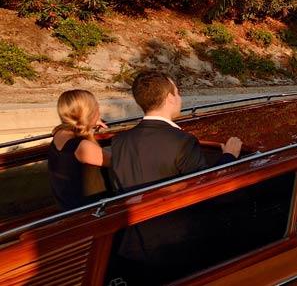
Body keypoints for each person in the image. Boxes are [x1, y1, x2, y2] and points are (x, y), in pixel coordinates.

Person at [111, 71, 242, 190]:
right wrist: (229, 157)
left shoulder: (119, 141)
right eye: (178, 92)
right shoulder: (183, 142)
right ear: (170, 98)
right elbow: (204, 186)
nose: (179, 98)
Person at [47, 89, 111, 210]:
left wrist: (90, 123)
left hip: (66, 205)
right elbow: (119, 160)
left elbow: (74, 128)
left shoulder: (59, 133)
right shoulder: (83, 147)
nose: (99, 110)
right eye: (96, 107)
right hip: (87, 211)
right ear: (89, 112)